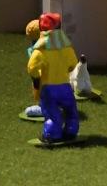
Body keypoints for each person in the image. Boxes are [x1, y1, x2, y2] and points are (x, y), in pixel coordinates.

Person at [27, 12, 80, 144]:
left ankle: (52, 134)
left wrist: (37, 78)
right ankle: (71, 131)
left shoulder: (40, 50)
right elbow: (73, 64)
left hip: (48, 88)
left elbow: (32, 68)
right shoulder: (67, 48)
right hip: (65, 87)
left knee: (52, 113)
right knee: (71, 111)